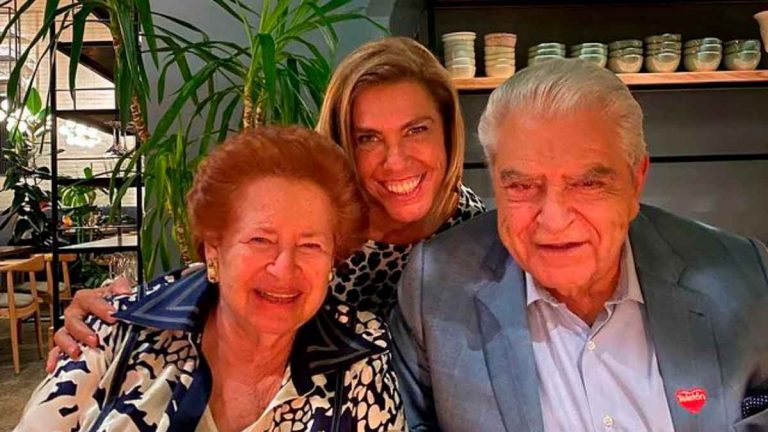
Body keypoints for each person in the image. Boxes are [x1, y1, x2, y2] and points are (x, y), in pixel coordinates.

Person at [47, 36, 485, 368]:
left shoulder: (486, 244)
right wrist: (112, 320)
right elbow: (218, 291)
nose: (396, 160)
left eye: (417, 130)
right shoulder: (314, 225)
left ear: (449, 132)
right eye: (367, 138)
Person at [390, 58, 768, 431]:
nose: (553, 221)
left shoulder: (744, 279)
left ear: (636, 181)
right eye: (522, 185)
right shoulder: (436, 286)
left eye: (588, 184)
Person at [17, 127, 405, 431]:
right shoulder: (117, 329)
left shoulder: (360, 356)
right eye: (260, 240)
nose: (284, 269)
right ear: (213, 251)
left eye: (310, 245)